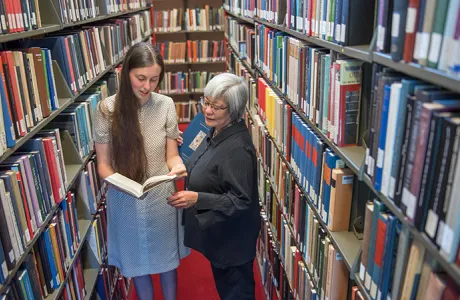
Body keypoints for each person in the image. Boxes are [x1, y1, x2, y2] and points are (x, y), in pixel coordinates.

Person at [93, 42, 189, 300]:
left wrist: (178, 168)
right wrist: (119, 182)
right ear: (126, 73)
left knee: (167, 261)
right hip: (124, 198)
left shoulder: (166, 104)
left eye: (154, 79)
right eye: (141, 78)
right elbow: (103, 164)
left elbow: (172, 155)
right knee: (138, 265)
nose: (147, 86)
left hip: (161, 196)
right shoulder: (107, 110)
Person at [167, 73, 261, 300]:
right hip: (220, 239)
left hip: (233, 245)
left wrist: (197, 198)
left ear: (234, 112)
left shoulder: (237, 149)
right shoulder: (215, 130)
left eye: (216, 107)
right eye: (206, 102)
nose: (207, 110)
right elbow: (208, 164)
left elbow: (241, 200)